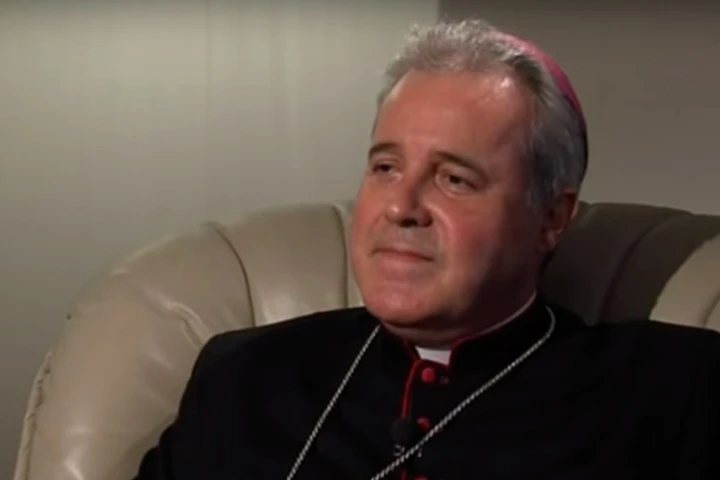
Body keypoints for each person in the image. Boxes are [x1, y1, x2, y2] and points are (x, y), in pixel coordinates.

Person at [133, 18, 720, 480]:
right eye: (385, 167)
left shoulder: (672, 391)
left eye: (454, 179)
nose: (401, 206)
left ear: (550, 219)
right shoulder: (244, 378)